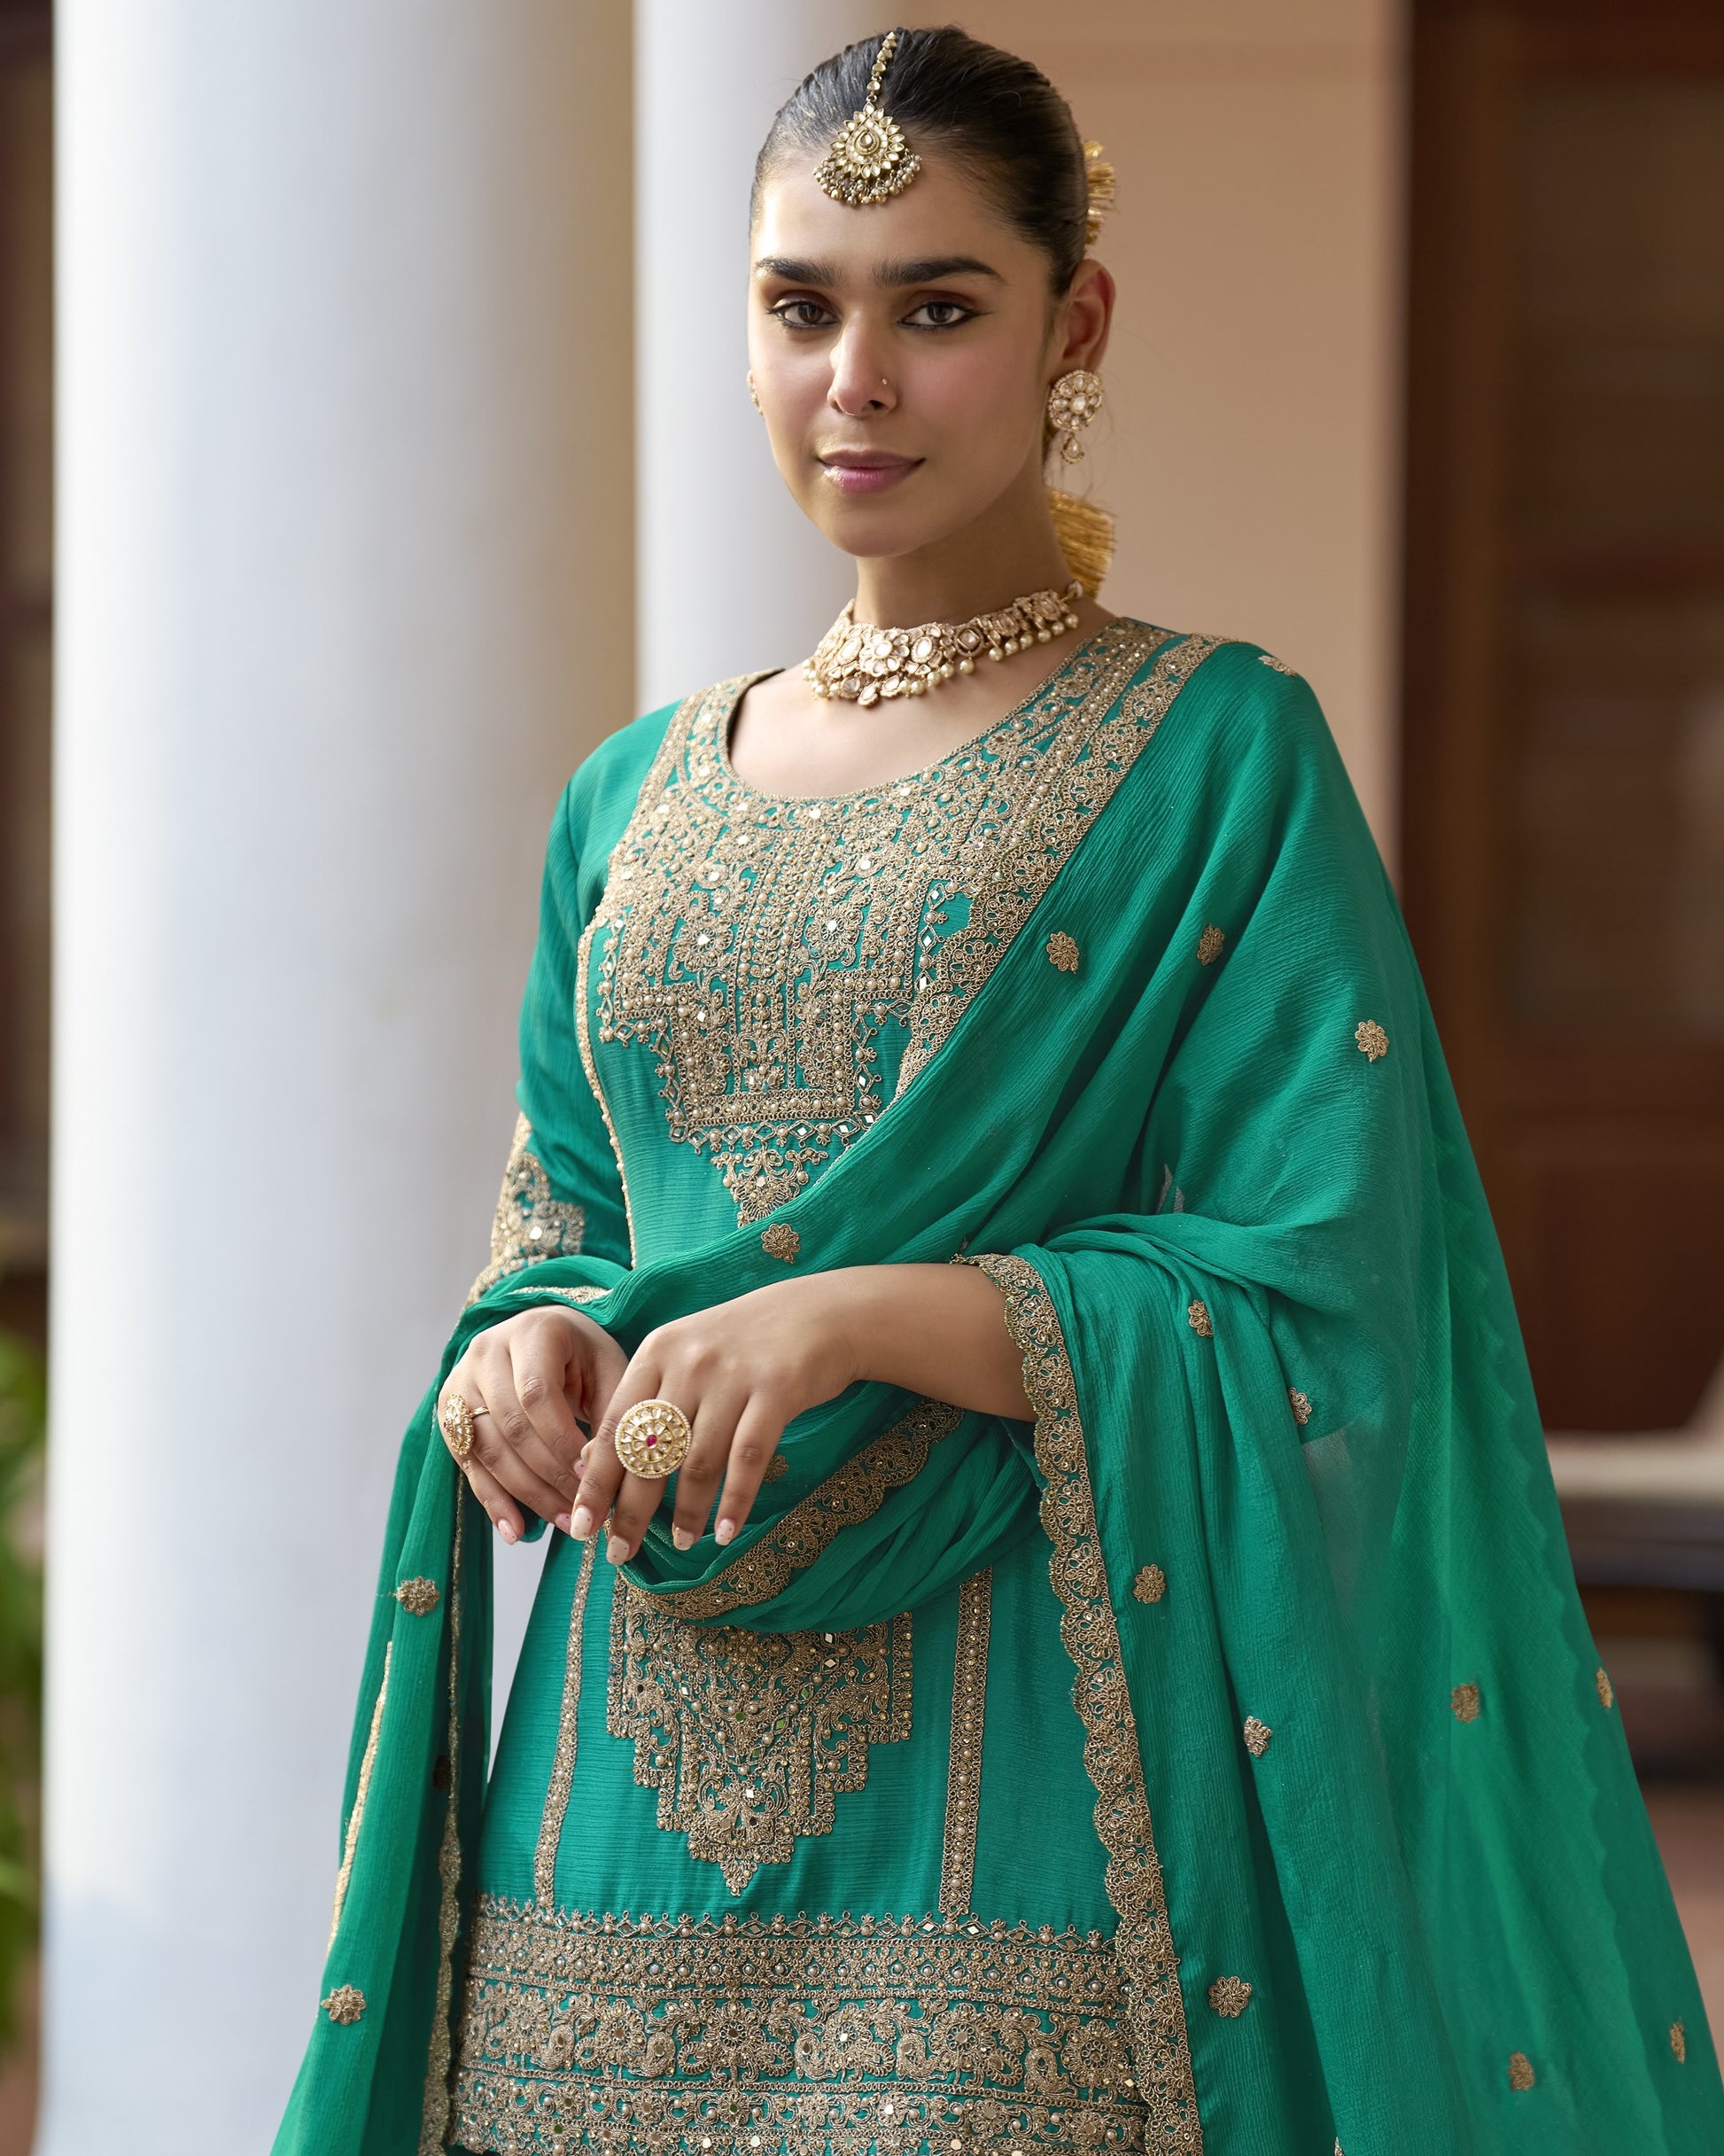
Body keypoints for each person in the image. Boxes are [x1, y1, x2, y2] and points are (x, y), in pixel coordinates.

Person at [274, 27, 1723, 2156]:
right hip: (618, 1779)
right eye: (801, 307)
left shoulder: (1217, 757)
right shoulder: (629, 798)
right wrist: (526, 1349)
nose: (854, 377)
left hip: (1032, 1759)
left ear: (1075, 324)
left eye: (935, 306)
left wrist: (863, 1310)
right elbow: (567, 1207)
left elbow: (1325, 1299)